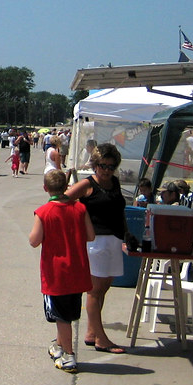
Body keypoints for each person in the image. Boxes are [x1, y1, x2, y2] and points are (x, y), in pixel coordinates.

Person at [64, 143, 132, 353]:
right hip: (96, 243)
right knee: (94, 291)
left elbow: (119, 212)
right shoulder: (87, 184)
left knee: (103, 290)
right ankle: (101, 338)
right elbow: (62, 200)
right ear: (95, 164)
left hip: (114, 240)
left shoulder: (114, 183)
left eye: (111, 166)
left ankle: (91, 333)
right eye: (103, 165)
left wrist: (127, 233)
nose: (106, 170)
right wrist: (79, 221)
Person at [29, 168, 95, 373]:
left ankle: (68, 354)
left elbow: (34, 241)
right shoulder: (80, 209)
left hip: (57, 273)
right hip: (77, 269)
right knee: (67, 312)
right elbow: (91, 235)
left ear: (45, 188)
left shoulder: (44, 212)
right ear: (66, 187)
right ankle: (59, 345)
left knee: (61, 317)